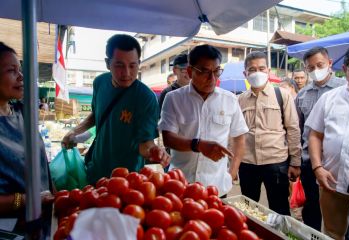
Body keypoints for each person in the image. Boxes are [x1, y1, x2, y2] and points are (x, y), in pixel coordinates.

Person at [62, 34, 170, 184]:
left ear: (139, 63)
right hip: (95, 171)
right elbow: (96, 114)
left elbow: (145, 143)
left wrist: (154, 152)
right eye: (119, 65)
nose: (126, 73)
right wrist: (74, 131)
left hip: (126, 181)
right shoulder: (100, 83)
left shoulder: (146, 98)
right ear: (108, 63)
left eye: (132, 66)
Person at [159, 45, 248, 197]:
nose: (212, 78)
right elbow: (168, 139)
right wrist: (198, 145)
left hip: (216, 187)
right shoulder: (174, 98)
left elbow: (239, 138)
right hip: (181, 184)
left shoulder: (230, 99)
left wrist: (231, 173)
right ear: (189, 71)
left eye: (216, 72)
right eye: (205, 72)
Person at [306, 43, 349, 239]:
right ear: (345, 69)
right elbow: (315, 135)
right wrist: (317, 167)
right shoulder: (329, 98)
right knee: (331, 233)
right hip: (331, 183)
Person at [238, 51, 301, 215]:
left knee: (280, 207)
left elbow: (293, 129)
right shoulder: (239, 100)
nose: (257, 72)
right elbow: (234, 134)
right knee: (248, 207)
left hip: (276, 162)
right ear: (245, 73)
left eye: (261, 68)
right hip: (247, 162)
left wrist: (295, 162)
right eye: (252, 69)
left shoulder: (282, 95)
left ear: (268, 70)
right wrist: (233, 163)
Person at [0, 42, 53, 230]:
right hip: (10, 228)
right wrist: (25, 200)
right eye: (11, 71)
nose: (21, 77)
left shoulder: (22, 113)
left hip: (40, 220)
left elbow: (41, 163)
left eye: (20, 70)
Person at [295, 46, 346, 231]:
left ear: (330, 63)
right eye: (310, 68)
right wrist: (297, 160)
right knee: (312, 210)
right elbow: (298, 130)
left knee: (342, 214)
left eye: (320, 65)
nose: (315, 70)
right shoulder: (302, 95)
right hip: (310, 164)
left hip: (338, 163)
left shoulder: (345, 89)